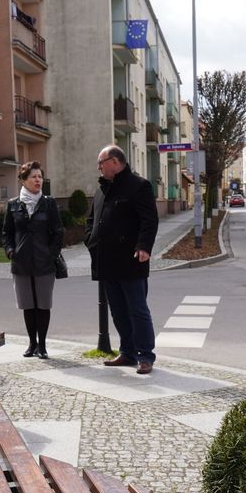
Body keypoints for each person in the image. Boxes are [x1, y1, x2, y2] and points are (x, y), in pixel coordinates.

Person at [85, 145, 159, 374]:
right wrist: (90, 240)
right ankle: (127, 353)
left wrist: (144, 247)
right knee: (117, 311)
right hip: (106, 262)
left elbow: (150, 220)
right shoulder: (101, 190)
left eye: (101, 162)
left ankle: (145, 356)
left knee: (137, 310)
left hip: (131, 260)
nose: (99, 167)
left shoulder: (139, 186)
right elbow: (91, 221)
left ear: (115, 162)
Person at [2, 161, 63, 359]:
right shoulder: (13, 205)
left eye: (40, 176)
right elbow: (7, 232)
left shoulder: (49, 202)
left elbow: (58, 232)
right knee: (28, 305)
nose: (38, 180)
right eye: (33, 177)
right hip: (21, 263)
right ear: (23, 180)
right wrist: (11, 251)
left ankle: (43, 346)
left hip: (44, 263)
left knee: (43, 304)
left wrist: (51, 254)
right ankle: (31, 343)